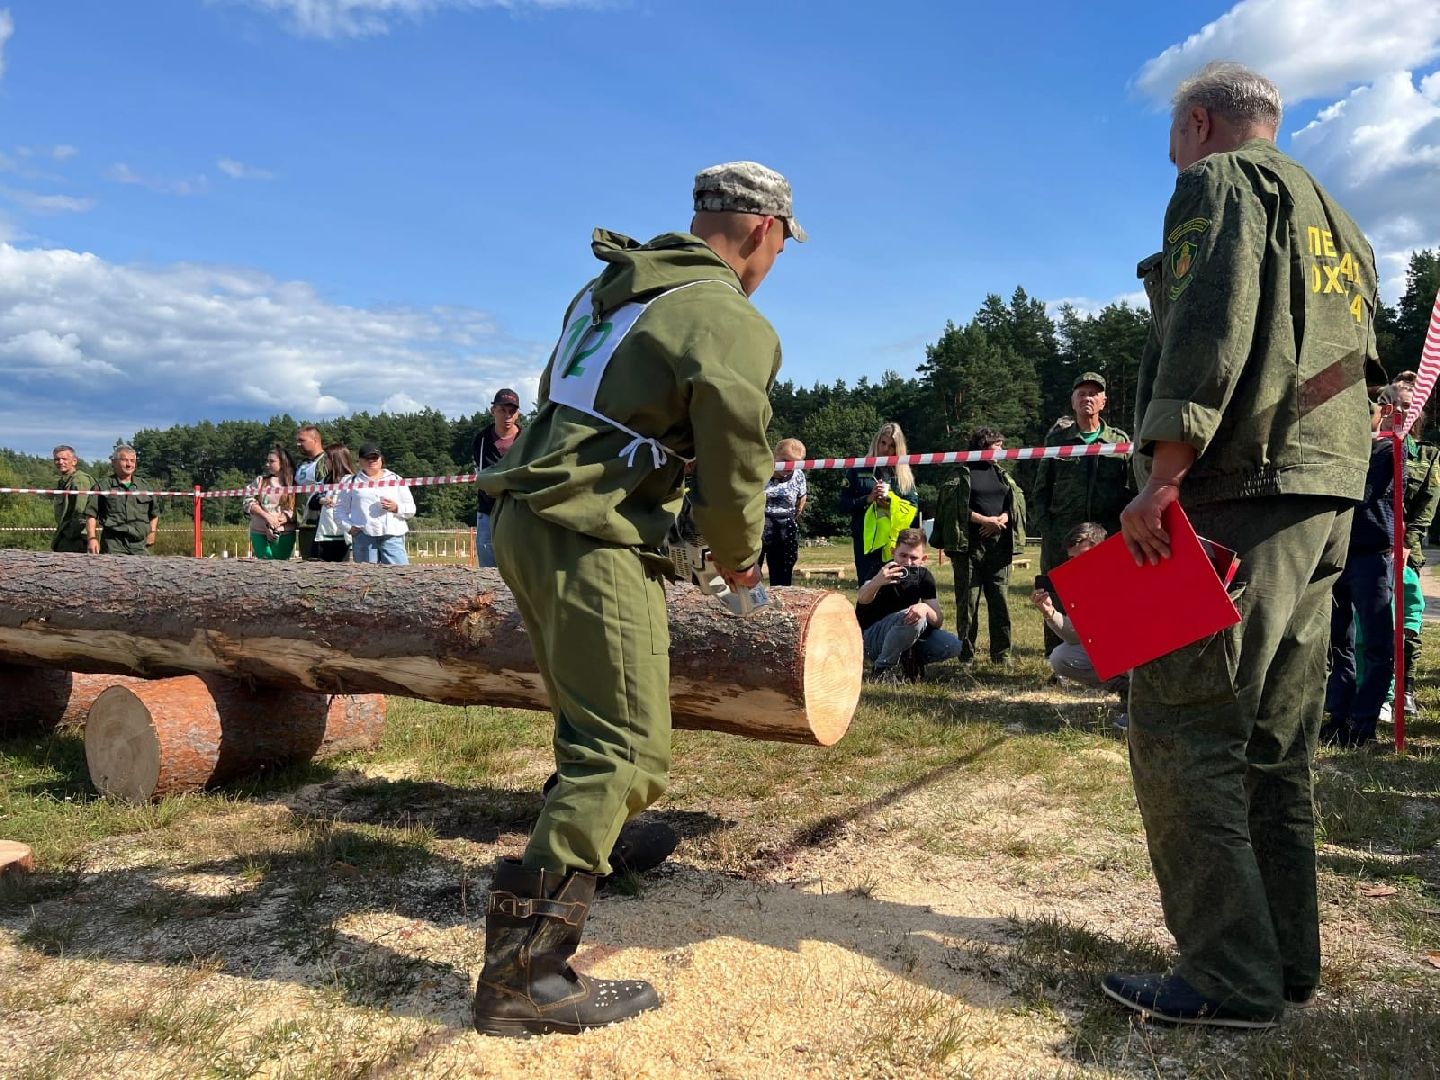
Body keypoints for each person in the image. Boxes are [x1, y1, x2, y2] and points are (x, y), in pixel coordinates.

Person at [471, 160, 795, 1036]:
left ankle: (598, 843)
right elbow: (737, 466)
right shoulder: (727, 315)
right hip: (588, 531)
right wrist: (742, 572)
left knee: (595, 724)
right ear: (763, 230)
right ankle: (524, 976)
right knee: (623, 750)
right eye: (779, 249)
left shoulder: (610, 288)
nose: (773, 265)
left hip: (530, 518)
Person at [1109, 62, 1379, 1029]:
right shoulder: (1339, 220)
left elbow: (1207, 320)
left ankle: (1227, 976)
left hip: (1238, 483)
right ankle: (1283, 960)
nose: (1172, 156)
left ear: (1199, 122)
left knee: (1181, 726)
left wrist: (1165, 472)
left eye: (1174, 138)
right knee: (1273, 744)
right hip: (1327, 488)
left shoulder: (1217, 184)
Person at [1032, 372, 1131, 654]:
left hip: (1105, 534)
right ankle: (1056, 659)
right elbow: (1040, 491)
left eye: (1093, 393)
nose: (1087, 398)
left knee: (1106, 596)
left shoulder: (1119, 441)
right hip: (1062, 534)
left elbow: (1130, 489)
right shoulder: (1058, 441)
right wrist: (1048, 531)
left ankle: (1105, 653)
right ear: (1072, 401)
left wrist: (1122, 531)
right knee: (1055, 594)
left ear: (1103, 401)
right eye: (1081, 393)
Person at [1323, 402, 1396, 748]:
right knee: (1338, 641)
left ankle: (1363, 720)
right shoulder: (1335, 446)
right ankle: (1339, 716)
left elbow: (1373, 493)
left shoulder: (1389, 449)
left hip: (1372, 557)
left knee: (1378, 645)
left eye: (1365, 409)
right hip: (1337, 553)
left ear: (1381, 411)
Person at [931, 427, 1027, 665]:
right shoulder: (961, 474)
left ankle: (1002, 655)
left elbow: (1014, 503)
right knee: (967, 603)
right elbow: (953, 507)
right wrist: (983, 520)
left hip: (999, 545)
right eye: (998, 446)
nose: (1002, 450)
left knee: (1000, 601)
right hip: (968, 546)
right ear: (983, 446)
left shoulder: (1002, 474)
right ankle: (966, 655)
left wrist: (1003, 519)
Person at [1030, 522, 1130, 726]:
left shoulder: (1127, 570)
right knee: (1061, 658)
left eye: (1084, 555)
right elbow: (1076, 636)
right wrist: (1050, 612)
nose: (1078, 563)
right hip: (1113, 649)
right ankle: (1126, 690)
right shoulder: (1082, 582)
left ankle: (1142, 707)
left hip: (1141, 647)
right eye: (1073, 559)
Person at [1383, 372, 1439, 717]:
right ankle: (1376, 691)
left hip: (1406, 555)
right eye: (1394, 405)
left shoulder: (1428, 456)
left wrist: (1404, 545)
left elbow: (1426, 508)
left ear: (1419, 413)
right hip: (1369, 549)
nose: (1401, 411)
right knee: (1370, 625)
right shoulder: (1371, 448)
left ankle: (1405, 689)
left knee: (1407, 626)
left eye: (1408, 406)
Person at [854, 527, 968, 680]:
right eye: (903, 555)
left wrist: (925, 608)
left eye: (914, 558)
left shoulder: (924, 577)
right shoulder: (880, 570)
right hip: (870, 639)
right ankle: (883, 669)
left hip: (904, 632)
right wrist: (877, 581)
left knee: (952, 645)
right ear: (893, 552)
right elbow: (862, 598)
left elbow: (938, 620)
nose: (907, 562)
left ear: (924, 559)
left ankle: (908, 661)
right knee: (915, 617)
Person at [839, 422, 919, 584]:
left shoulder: (904, 475)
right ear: (876, 441)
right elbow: (842, 504)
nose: (885, 449)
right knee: (868, 589)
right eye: (883, 443)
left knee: (896, 590)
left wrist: (891, 502)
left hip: (896, 543)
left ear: (898, 449)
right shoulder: (857, 469)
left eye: (891, 446)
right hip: (866, 544)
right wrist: (867, 499)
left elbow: (913, 507)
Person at [336, 442, 415, 565]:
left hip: (392, 536)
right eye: (367, 458)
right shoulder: (350, 481)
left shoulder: (396, 479)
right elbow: (340, 510)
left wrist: (396, 508)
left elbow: (411, 509)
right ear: (360, 461)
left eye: (375, 457)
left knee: (399, 577)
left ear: (381, 459)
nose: (372, 460)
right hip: (363, 537)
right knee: (366, 579)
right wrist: (349, 527)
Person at [473, 389, 523, 568]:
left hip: (520, 512)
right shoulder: (481, 440)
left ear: (518, 413)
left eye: (512, 411)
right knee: (488, 571)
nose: (507, 415)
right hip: (488, 511)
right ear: (493, 411)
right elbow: (483, 478)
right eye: (502, 410)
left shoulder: (527, 439)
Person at [85, 444, 159, 555]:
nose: (129, 464)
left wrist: (152, 532)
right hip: (113, 544)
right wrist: (92, 538)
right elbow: (91, 515)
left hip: (139, 545)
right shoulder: (102, 486)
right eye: (125, 460)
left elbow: (154, 513)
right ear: (114, 463)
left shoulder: (144, 486)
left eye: (132, 461)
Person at [759, 437, 807, 586]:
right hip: (759, 524)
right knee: (750, 570)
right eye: (785, 460)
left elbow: (801, 498)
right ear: (775, 456)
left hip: (785, 526)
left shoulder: (798, 475)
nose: (789, 465)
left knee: (783, 572)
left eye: (795, 462)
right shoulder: (760, 472)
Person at [243, 445, 298, 560]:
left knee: (281, 569)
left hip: (284, 533)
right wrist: (267, 518)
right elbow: (248, 502)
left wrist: (275, 524)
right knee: (264, 567)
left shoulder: (295, 484)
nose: (267, 464)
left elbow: (297, 508)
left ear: (283, 463)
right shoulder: (260, 481)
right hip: (259, 532)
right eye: (267, 461)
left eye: (271, 461)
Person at [49, 445, 97, 553]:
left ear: (74, 461)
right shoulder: (63, 481)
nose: (60, 462)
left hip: (78, 539)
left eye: (64, 459)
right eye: (57, 459)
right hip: (66, 536)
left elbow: (81, 513)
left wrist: (69, 533)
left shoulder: (80, 480)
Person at [311, 443, 354, 562]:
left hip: (344, 537)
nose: (325, 462)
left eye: (327, 459)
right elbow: (311, 502)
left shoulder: (353, 480)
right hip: (323, 536)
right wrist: (321, 500)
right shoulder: (324, 480)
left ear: (337, 460)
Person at [293, 425, 328, 560]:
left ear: (315, 440)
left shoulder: (325, 462)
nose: (298, 444)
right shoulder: (302, 464)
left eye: (302, 440)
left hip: (320, 523)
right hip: (303, 523)